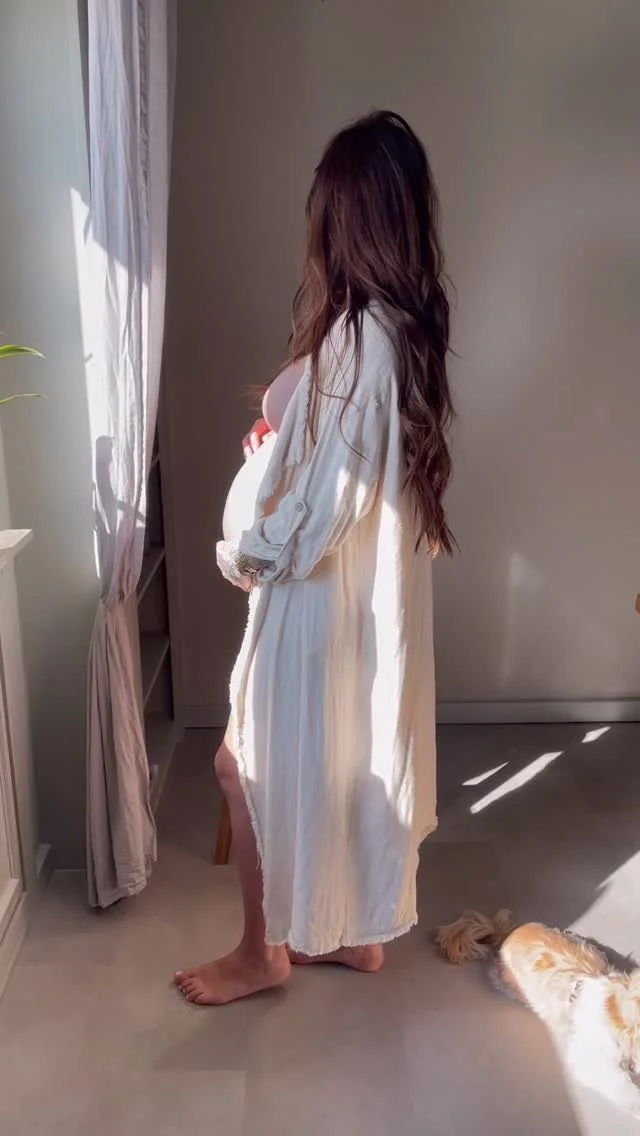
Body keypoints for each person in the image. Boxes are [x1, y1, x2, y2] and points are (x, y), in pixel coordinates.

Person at [175, 110, 455, 1005]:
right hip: (355, 600)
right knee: (336, 756)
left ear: (347, 217)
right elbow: (342, 468)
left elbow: (318, 515)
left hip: (320, 601)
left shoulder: (360, 342)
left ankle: (262, 953)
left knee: (243, 765)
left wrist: (241, 551)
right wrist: (281, 444)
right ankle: (349, 936)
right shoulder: (393, 333)